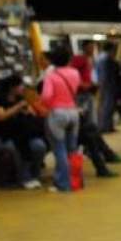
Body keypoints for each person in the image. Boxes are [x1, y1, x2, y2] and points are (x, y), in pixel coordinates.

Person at [0, 75, 47, 189]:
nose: (23, 88)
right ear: (12, 87)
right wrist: (18, 107)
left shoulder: (22, 100)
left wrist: (27, 111)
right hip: (3, 136)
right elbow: (1, 116)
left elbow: (32, 114)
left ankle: (34, 175)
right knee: (14, 148)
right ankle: (23, 178)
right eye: (20, 85)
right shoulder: (0, 100)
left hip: (23, 134)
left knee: (39, 146)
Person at [41, 47, 83, 192]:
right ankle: (76, 180)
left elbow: (46, 96)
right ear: (68, 59)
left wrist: (48, 105)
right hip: (73, 112)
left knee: (59, 149)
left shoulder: (51, 76)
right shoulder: (75, 73)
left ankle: (63, 183)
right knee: (72, 150)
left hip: (57, 114)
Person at [95, 40, 119, 133]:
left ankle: (107, 126)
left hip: (103, 84)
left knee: (104, 106)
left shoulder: (99, 57)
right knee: (107, 106)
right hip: (107, 85)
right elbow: (105, 74)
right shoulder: (106, 58)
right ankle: (105, 127)